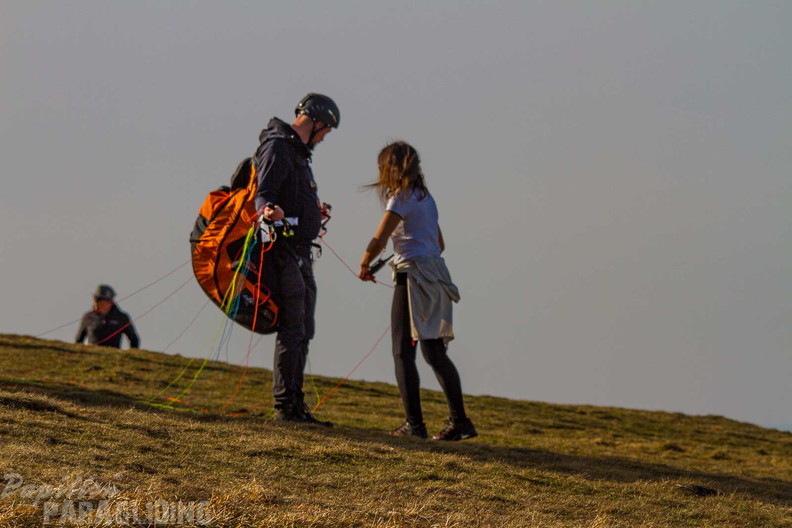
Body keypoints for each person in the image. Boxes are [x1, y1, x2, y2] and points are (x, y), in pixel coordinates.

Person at [358, 141, 477, 441]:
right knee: (435, 352)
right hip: (436, 274)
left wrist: (364, 263)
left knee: (402, 352)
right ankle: (459, 421)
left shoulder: (400, 199)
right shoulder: (426, 198)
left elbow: (379, 238)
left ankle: (415, 424)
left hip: (413, 277)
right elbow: (440, 244)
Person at [254, 93, 339, 426]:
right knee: (292, 327)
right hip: (283, 252)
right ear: (316, 121)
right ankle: (285, 407)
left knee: (304, 327)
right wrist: (270, 211)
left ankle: (295, 403)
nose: (325, 136)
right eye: (326, 130)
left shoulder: (299, 154)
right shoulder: (277, 147)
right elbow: (264, 193)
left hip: (301, 252)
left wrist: (312, 213)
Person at [75, 285, 140, 349]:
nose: (96, 302)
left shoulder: (121, 317)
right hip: (92, 356)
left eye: (99, 299)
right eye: (95, 299)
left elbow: (134, 339)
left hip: (114, 357)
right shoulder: (88, 317)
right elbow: (78, 340)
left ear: (109, 301)